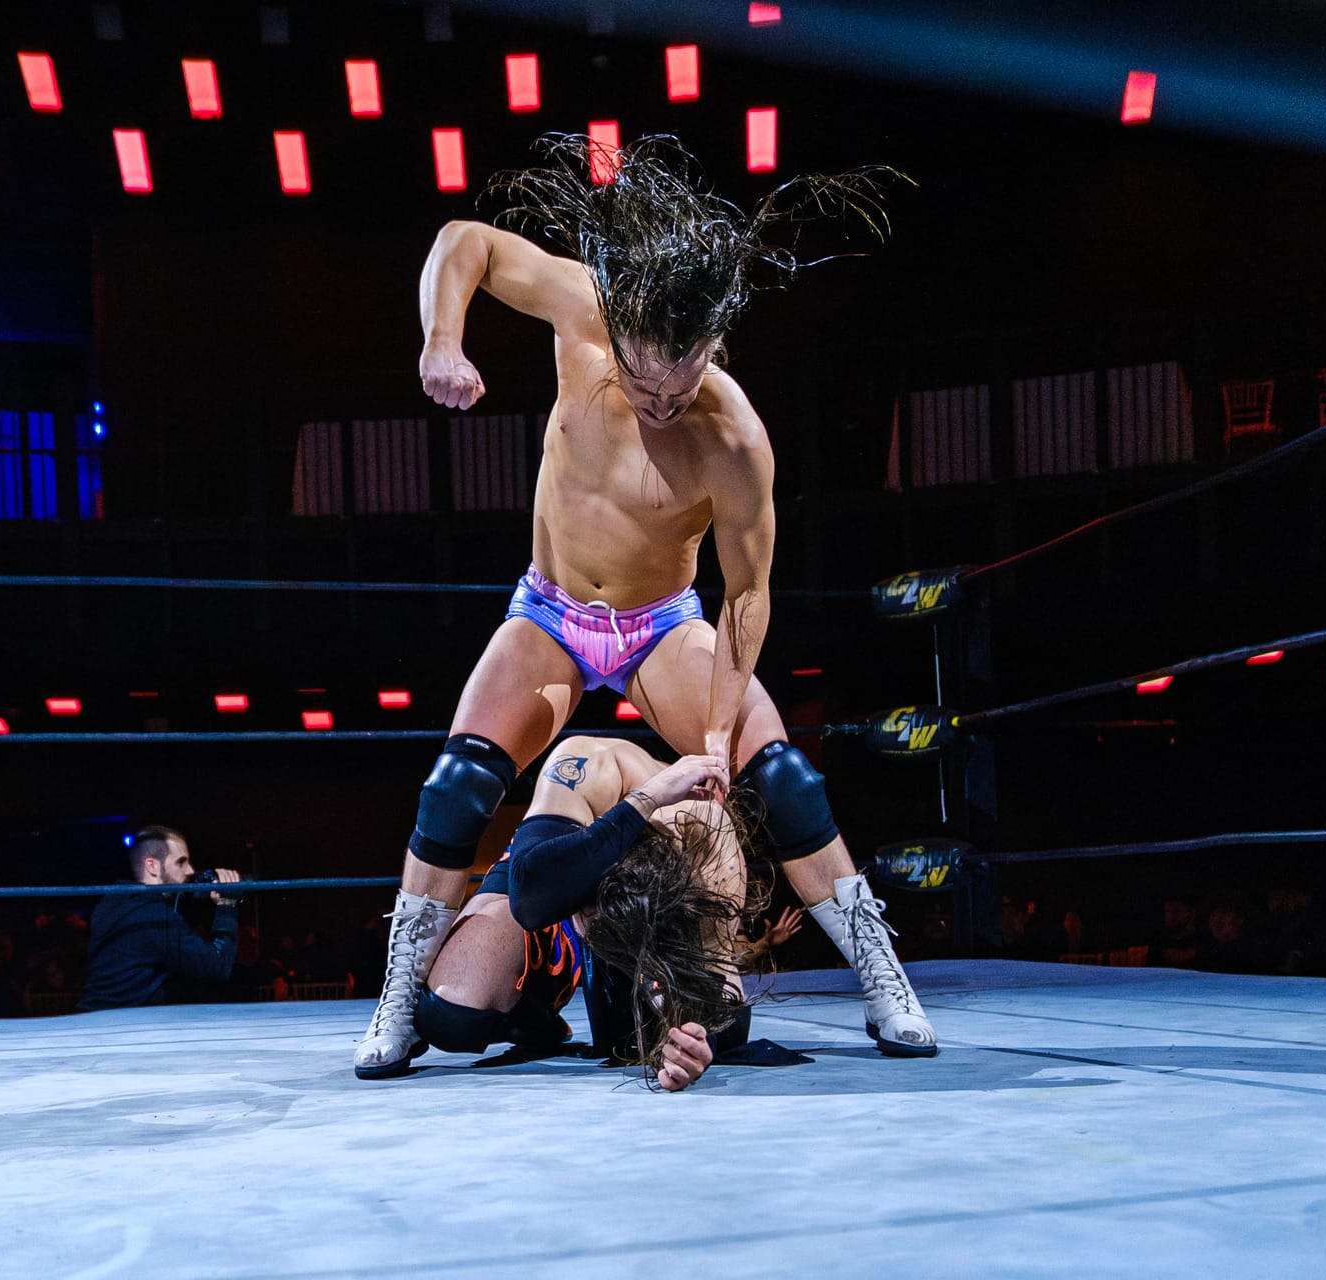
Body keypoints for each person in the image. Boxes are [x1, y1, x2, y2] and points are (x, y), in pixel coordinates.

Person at [354, 135, 936, 1078]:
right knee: (457, 784)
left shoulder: (735, 440)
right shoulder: (582, 307)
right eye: (642, 384)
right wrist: (443, 340)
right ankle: (399, 991)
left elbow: (748, 595)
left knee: (781, 775)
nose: (660, 406)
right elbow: (465, 240)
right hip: (551, 610)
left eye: (680, 386)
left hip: (661, 622)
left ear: (712, 346)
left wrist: (715, 733)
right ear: (618, 329)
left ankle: (881, 974)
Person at [413, 735, 751, 1090]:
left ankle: (554, 1006)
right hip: (554, 863)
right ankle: (528, 1011)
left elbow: (719, 988)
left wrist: (694, 1044)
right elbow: (530, 897)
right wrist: (644, 800)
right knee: (451, 1018)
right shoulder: (593, 765)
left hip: (647, 922)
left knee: (627, 1042)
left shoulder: (713, 859)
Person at [77, 826, 243, 1012]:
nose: (190, 870)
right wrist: (227, 904)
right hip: (121, 1023)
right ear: (152, 866)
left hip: (92, 1016)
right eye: (181, 862)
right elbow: (217, 967)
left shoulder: (111, 903)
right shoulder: (154, 915)